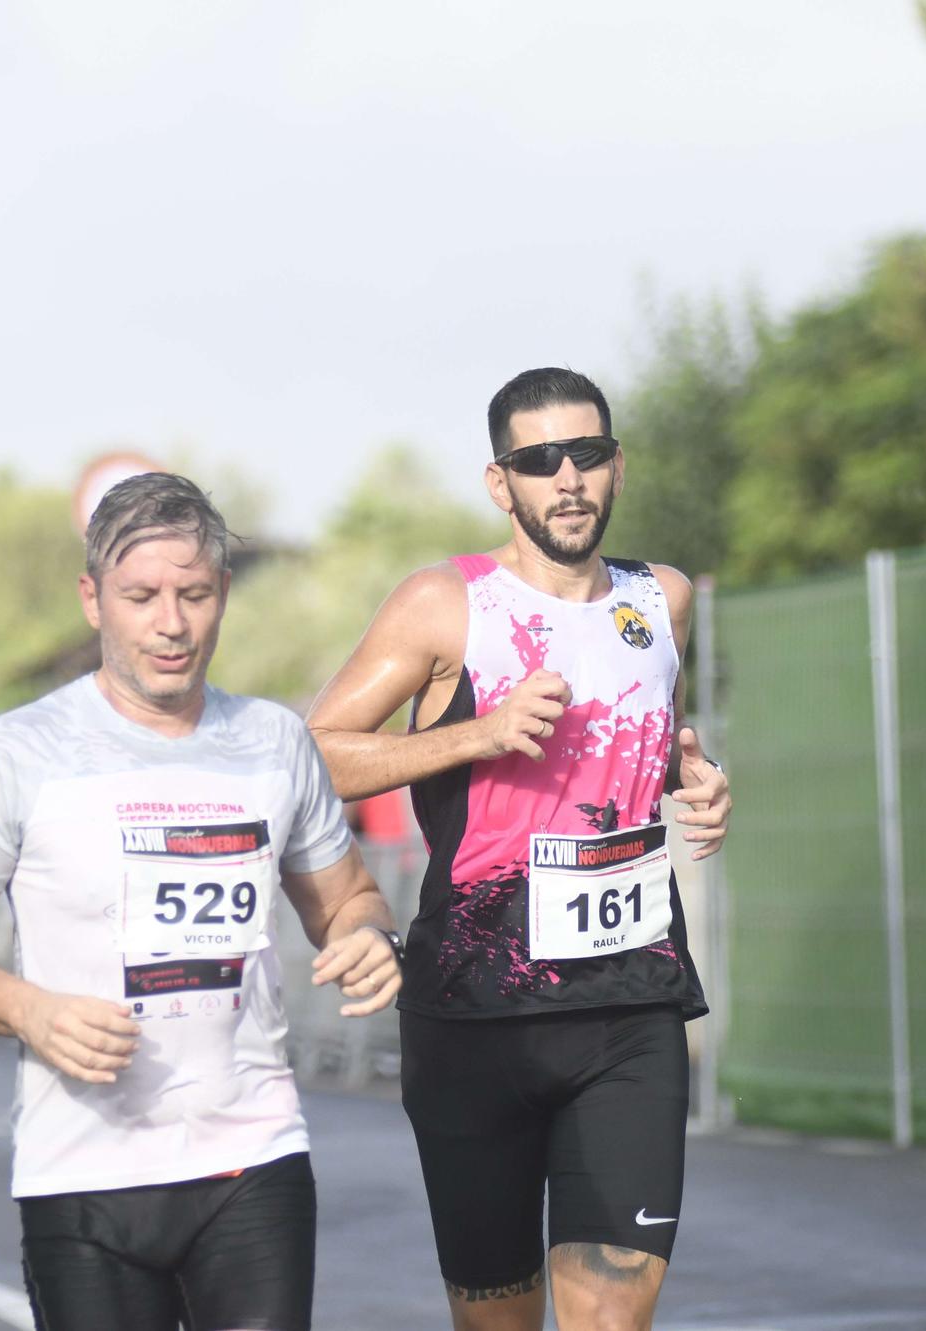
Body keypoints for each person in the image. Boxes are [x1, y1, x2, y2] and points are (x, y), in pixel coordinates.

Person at [0, 473, 403, 1331]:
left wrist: (371, 936)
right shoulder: (20, 751)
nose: (171, 622)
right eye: (142, 596)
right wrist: (29, 1009)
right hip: (83, 1173)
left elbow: (348, 897)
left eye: (194, 593)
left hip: (252, 1151)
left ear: (223, 595)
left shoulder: (274, 741)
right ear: (93, 600)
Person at [304, 367, 733, 1331]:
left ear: (616, 466)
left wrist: (694, 776)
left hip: (631, 1000)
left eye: (586, 454)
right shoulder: (444, 603)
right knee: (497, 1320)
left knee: (613, 1314)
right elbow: (311, 758)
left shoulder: (658, 599)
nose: (568, 477)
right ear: (502, 484)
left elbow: (634, 736)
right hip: (476, 1009)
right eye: (541, 461)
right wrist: (474, 734)